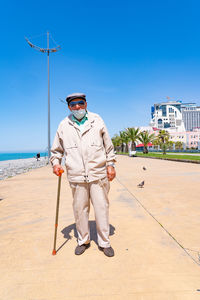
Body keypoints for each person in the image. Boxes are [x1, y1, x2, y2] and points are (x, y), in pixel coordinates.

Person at [51, 93, 116, 257]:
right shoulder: (63, 125)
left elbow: (109, 147)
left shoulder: (97, 120)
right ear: (69, 107)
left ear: (86, 104)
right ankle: (83, 241)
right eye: (73, 105)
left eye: (80, 103)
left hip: (98, 174)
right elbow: (56, 150)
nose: (77, 107)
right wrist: (56, 163)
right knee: (80, 210)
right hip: (77, 176)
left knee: (101, 209)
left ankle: (104, 242)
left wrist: (111, 165)